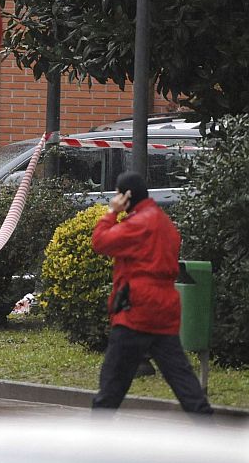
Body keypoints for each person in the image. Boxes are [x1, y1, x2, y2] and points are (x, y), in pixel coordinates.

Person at [90, 171, 213, 415]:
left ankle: (98, 432)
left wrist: (111, 212)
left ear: (126, 196)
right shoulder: (164, 223)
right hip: (165, 308)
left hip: (136, 309)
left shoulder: (137, 224)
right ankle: (204, 420)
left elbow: (100, 242)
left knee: (114, 379)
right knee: (180, 374)